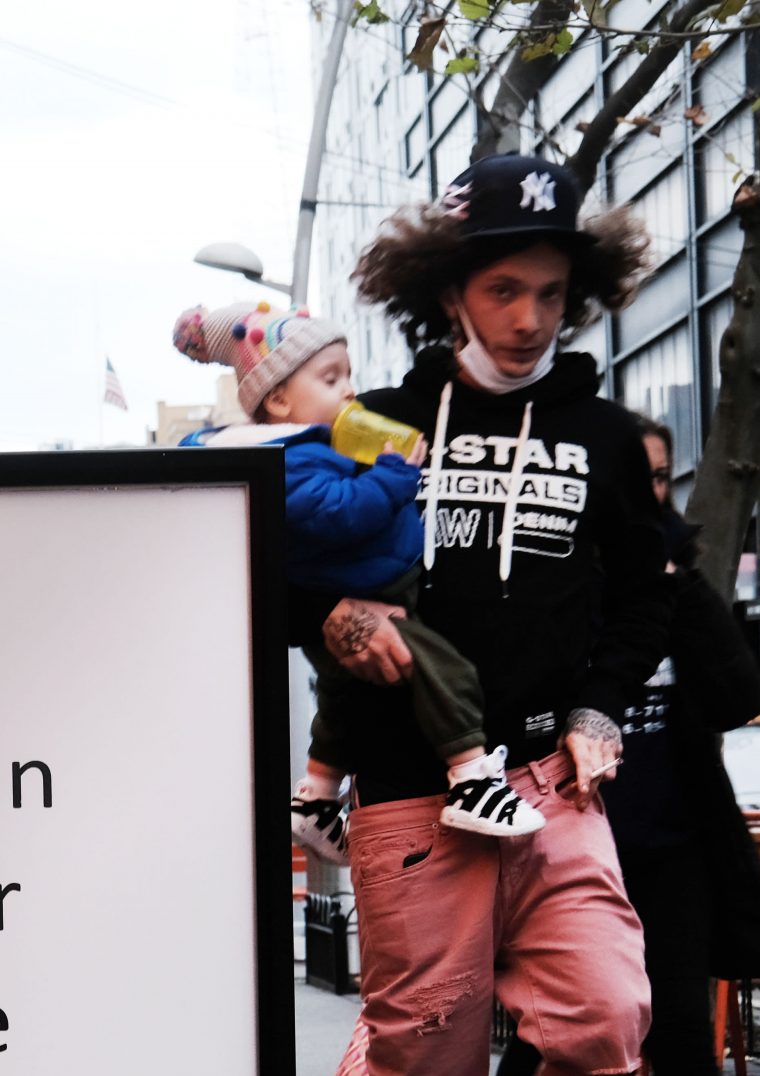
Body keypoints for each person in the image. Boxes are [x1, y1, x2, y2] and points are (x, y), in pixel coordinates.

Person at [329, 153, 674, 1076]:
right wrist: (329, 623)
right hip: (409, 786)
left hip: (548, 782)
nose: (530, 318)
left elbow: (646, 599)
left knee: (609, 1015)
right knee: (426, 1052)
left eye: (550, 293)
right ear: (450, 294)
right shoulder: (377, 420)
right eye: (503, 290)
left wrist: (597, 705)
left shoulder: (601, 434)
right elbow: (301, 565)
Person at [479, 418, 760, 1076]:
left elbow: (737, 695)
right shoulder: (555, 583)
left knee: (684, 1029)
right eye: (636, 476)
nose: (649, 493)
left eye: (660, 478)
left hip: (670, 846)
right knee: (553, 1031)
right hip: (568, 843)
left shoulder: (675, 584)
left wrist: (676, 590)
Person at [175, 300, 543, 863]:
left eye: (349, 375)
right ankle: (471, 779)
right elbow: (342, 512)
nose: (350, 391)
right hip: (371, 594)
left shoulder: (308, 450)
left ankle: (317, 797)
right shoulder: (288, 461)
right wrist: (395, 474)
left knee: (345, 703)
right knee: (447, 674)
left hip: (367, 587)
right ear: (278, 400)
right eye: (330, 379)